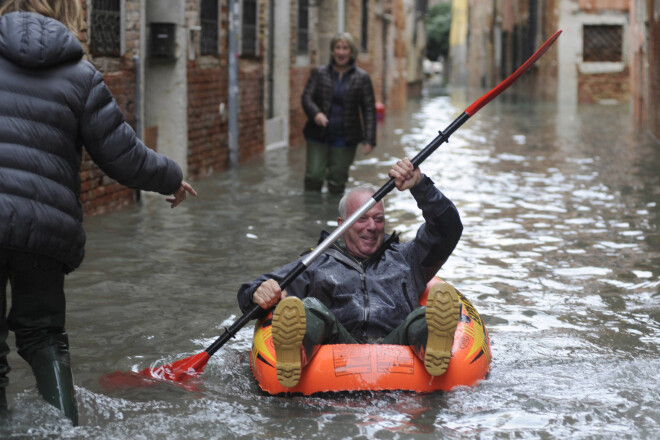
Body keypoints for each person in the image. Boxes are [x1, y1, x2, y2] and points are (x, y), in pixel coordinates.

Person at [0, 1, 197, 425]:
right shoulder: (80, 75)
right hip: (43, 230)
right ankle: (66, 431)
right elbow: (123, 157)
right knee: (44, 336)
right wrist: (171, 177)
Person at [237, 157, 463, 388]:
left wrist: (420, 185)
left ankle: (433, 345)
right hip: (336, 347)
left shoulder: (408, 258)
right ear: (341, 224)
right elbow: (252, 291)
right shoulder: (316, 263)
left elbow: (448, 230)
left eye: (378, 219)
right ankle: (296, 352)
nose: (372, 226)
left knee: (422, 318)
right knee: (311, 310)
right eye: (361, 218)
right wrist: (258, 291)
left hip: (399, 343)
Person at [301, 32, 376, 195]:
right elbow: (307, 97)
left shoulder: (362, 77)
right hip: (318, 133)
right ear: (333, 51)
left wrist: (369, 139)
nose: (341, 52)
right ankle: (312, 214)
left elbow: (369, 109)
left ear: (351, 52)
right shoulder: (319, 73)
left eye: (345, 48)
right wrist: (316, 114)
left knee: (337, 180)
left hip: (346, 136)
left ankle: (334, 216)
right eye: (338, 48)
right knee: (313, 177)